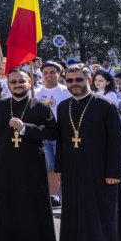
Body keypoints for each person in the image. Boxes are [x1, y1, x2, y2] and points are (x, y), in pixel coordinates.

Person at [55, 64, 121, 241]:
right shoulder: (63, 107)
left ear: (88, 80)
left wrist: (114, 172)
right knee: (75, 213)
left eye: (78, 79)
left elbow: (117, 141)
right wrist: (60, 168)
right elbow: (61, 141)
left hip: (101, 170)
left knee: (100, 215)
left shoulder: (105, 105)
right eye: (69, 80)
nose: (74, 84)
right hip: (72, 170)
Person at [0, 69, 59, 241]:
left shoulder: (41, 107)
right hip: (6, 162)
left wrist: (25, 128)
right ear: (8, 85)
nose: (18, 85)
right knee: (8, 201)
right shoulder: (0, 106)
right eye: (13, 82)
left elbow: (52, 132)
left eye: (21, 81)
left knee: (32, 204)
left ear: (29, 82)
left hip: (32, 163)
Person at [34, 61, 72, 207]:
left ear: (58, 73)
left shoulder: (66, 91)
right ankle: (54, 195)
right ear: (42, 74)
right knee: (50, 167)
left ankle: (68, 193)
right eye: (45, 72)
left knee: (64, 166)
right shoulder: (36, 92)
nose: (48, 75)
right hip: (44, 135)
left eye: (52, 72)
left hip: (62, 134)